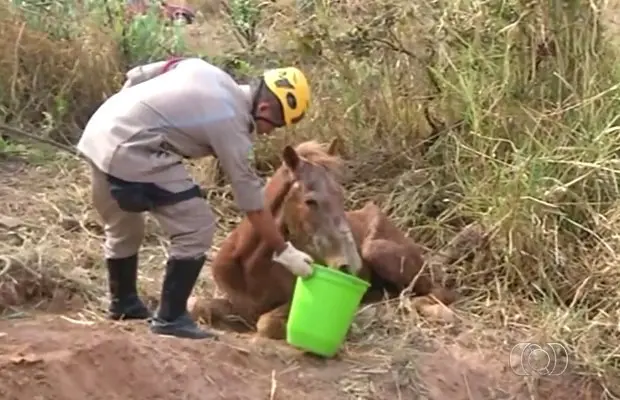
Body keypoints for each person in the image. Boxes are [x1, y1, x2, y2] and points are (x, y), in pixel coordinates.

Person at [76, 57, 316, 340]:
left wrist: (125, 119)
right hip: (132, 148)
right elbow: (251, 200)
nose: (268, 133)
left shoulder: (204, 69)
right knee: (197, 226)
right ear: (263, 108)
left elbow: (138, 74)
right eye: (273, 125)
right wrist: (283, 250)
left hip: (99, 131)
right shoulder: (233, 123)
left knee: (123, 226)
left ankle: (123, 303)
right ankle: (171, 317)